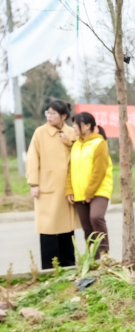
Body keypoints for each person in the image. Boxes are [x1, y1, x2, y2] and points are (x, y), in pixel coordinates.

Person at [26, 100, 79, 270]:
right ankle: (49, 267)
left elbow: (80, 155)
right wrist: (33, 183)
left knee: (66, 226)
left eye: (53, 113)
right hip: (46, 186)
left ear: (64, 116)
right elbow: (32, 158)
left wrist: (69, 142)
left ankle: (69, 264)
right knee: (47, 226)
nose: (49, 116)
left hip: (67, 187)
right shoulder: (40, 133)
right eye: (47, 113)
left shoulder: (72, 132)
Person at [66, 112, 112, 258]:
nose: (73, 127)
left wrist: (89, 193)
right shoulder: (76, 145)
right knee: (87, 228)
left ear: (87, 126)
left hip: (99, 190)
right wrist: (69, 190)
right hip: (79, 193)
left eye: (76, 124)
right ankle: (94, 258)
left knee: (96, 217)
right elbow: (70, 170)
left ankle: (104, 254)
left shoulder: (99, 143)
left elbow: (100, 171)